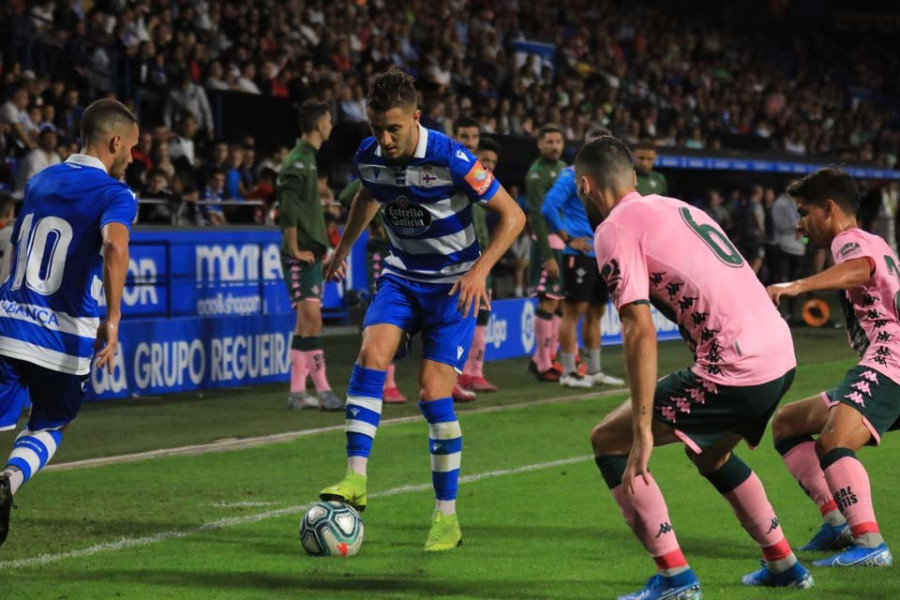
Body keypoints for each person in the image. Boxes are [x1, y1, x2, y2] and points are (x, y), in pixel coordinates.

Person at [576, 136, 812, 599]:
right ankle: (783, 563)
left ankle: (674, 579)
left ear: (586, 186)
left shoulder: (614, 228)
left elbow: (638, 330)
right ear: (635, 178)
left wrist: (643, 427)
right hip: (781, 355)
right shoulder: (681, 207)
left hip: (736, 366)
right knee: (711, 453)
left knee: (609, 440)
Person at [318, 70, 525, 551]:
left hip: (454, 288)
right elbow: (369, 195)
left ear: (415, 117)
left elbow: (513, 216)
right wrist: (344, 248)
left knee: (433, 397)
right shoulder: (368, 156)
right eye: (376, 129)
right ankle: (355, 479)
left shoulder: (451, 156)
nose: (385, 139)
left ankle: (446, 518)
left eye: (394, 129)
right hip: (402, 277)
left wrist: (479, 271)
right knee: (371, 353)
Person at [0, 99, 139, 546]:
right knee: (50, 424)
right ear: (115, 142)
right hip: (64, 337)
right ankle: (10, 480)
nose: (133, 159)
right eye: (132, 148)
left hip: (9, 322)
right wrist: (113, 320)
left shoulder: (40, 181)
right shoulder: (115, 194)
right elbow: (115, 248)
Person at [769, 167, 895, 568]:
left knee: (832, 441)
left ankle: (870, 543)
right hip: (884, 361)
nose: (800, 223)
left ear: (829, 208)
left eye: (805, 212)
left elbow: (862, 269)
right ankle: (836, 521)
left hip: (890, 361)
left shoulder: (848, 241)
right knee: (788, 422)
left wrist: (796, 286)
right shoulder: (876, 240)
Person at [541, 126, 624, 389]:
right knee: (574, 310)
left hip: (604, 252)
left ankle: (594, 370)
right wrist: (568, 239)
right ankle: (568, 372)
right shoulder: (571, 176)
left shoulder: (609, 177)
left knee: (597, 311)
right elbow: (548, 207)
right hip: (580, 253)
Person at [278, 100, 342, 411]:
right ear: (318, 124)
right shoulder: (297, 162)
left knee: (306, 325)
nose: (331, 125)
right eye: (328, 120)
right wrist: (293, 249)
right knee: (312, 323)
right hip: (300, 255)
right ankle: (324, 389)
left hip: (312, 253)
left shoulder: (308, 159)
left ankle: (297, 393)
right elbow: (286, 208)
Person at [336, 179, 407, 405]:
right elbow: (348, 195)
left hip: (401, 250)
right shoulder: (379, 170)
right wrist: (375, 220)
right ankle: (383, 383)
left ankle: (387, 383)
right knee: (384, 313)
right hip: (381, 250)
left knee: (399, 317)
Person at [453, 118, 498, 396]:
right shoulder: (454, 175)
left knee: (481, 317)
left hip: (483, 264)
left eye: (474, 136)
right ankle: (452, 378)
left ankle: (474, 372)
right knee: (457, 321)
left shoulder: (484, 186)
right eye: (464, 135)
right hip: (459, 264)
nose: (470, 141)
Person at [527, 124, 568, 382]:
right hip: (548, 246)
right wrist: (548, 255)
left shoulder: (564, 167)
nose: (554, 146)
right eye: (549, 141)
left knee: (561, 301)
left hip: (565, 244)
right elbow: (537, 217)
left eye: (558, 141)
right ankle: (542, 363)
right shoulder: (536, 174)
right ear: (540, 144)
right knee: (549, 300)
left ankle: (548, 356)